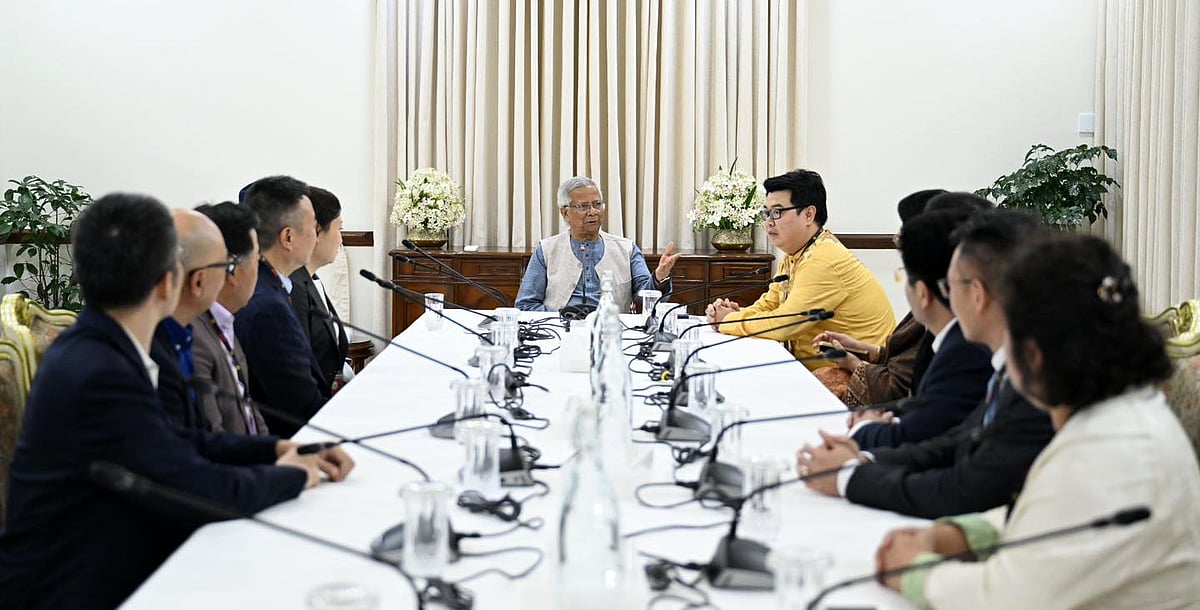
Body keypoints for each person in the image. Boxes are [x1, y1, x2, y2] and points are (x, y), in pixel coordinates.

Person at [0, 193, 354, 609]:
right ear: (171, 281)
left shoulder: (106, 343)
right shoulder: (100, 370)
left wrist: (279, 449)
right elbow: (190, 486)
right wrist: (298, 477)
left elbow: (176, 440)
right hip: (79, 585)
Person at [876, 234, 1200, 608]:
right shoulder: (1118, 410)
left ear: (1034, 354)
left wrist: (914, 573)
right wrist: (958, 535)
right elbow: (1053, 521)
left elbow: (1006, 598)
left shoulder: (1107, 455)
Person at [798, 209, 1054, 518]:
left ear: (977, 294)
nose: (947, 296)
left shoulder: (1036, 377)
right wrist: (862, 461)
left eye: (951, 285)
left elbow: (962, 486)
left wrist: (848, 476)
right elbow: (958, 440)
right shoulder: (1010, 364)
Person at [707, 169, 895, 368]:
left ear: (808, 214)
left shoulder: (823, 260)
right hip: (816, 369)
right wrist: (737, 313)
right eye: (766, 213)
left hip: (860, 376)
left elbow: (785, 323)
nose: (769, 222)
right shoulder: (797, 254)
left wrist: (729, 321)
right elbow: (770, 305)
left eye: (777, 212)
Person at [812, 188, 946, 405]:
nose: (896, 242)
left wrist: (851, 363)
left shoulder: (940, 299)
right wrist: (858, 346)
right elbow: (901, 358)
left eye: (903, 236)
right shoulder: (800, 256)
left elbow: (899, 387)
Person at [234, 175, 326, 437]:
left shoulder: (266, 284)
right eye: (313, 228)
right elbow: (301, 408)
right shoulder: (268, 308)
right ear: (288, 237)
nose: (316, 237)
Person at [515, 176, 682, 313]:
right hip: (560, 330)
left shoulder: (626, 249)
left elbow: (644, 296)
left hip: (612, 331)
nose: (593, 211)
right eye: (583, 206)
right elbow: (525, 305)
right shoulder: (547, 250)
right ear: (565, 212)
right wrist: (562, 317)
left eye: (597, 204)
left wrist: (660, 276)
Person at [150, 209, 234, 430]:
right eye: (225, 266)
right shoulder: (152, 351)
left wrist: (275, 448)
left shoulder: (181, 334)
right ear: (198, 281)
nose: (229, 275)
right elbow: (184, 453)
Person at [194, 202, 269, 434]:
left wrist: (277, 450)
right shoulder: (193, 337)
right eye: (257, 260)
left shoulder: (224, 319)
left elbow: (249, 411)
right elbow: (213, 437)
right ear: (232, 269)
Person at [288, 186, 349, 394]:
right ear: (317, 231)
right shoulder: (293, 288)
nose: (341, 239)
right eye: (339, 228)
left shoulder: (311, 279)